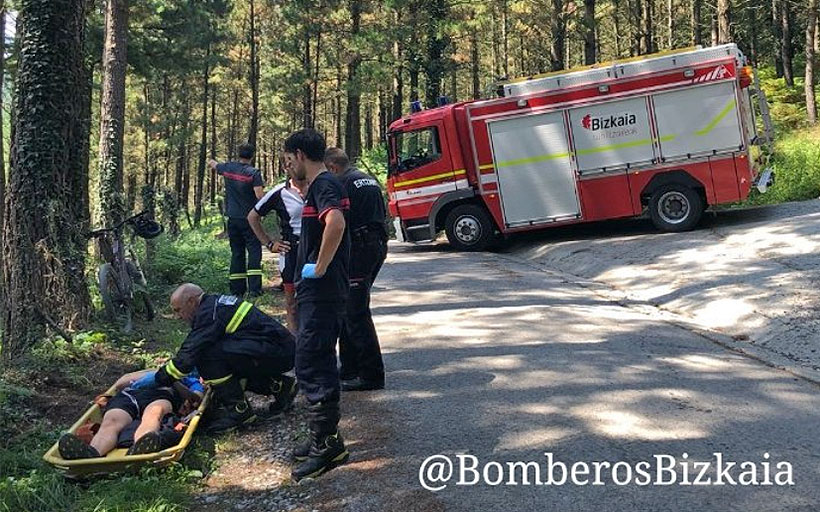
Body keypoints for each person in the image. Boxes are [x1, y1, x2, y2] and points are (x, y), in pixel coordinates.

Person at [130, 283, 298, 433]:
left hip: (276, 352)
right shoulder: (213, 305)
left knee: (207, 358)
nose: (177, 316)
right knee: (222, 361)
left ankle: (239, 412)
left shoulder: (209, 314)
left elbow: (189, 354)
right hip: (275, 349)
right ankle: (280, 387)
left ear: (191, 301)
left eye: (178, 310)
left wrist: (158, 378)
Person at [283, 129, 351, 481]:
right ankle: (321, 437)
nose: (287, 166)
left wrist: (320, 267)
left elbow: (335, 223)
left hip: (323, 292)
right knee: (313, 358)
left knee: (313, 361)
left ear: (298, 155)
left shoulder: (324, 185)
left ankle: (327, 444)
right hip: (319, 291)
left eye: (287, 159)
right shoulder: (320, 187)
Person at [324, 147, 388, 392]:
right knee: (349, 308)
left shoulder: (344, 184)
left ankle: (372, 374)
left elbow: (340, 222)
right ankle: (349, 367)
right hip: (375, 246)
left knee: (356, 312)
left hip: (360, 250)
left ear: (332, 167)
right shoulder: (367, 179)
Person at [57, 369, 204, 460]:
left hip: (161, 395)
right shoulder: (150, 373)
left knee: (154, 413)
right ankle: (93, 453)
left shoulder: (191, 381)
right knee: (112, 421)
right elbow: (120, 384)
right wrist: (155, 372)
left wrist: (174, 381)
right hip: (130, 395)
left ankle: (141, 448)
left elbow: (196, 398)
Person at [247, 156, 307, 334]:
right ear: (285, 168)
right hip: (291, 251)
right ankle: (295, 346)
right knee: (292, 302)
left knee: (316, 300)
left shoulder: (319, 186)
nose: (292, 166)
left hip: (315, 249)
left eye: (295, 162)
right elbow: (253, 217)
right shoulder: (279, 192)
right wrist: (269, 243)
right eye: (288, 164)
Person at [208, 144, 265, 297]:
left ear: (239, 154)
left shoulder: (228, 168)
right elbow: (259, 196)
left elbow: (214, 165)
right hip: (250, 219)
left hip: (232, 219)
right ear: (252, 156)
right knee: (254, 251)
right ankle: (254, 289)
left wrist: (211, 161)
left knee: (237, 252)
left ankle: (237, 289)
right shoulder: (254, 173)